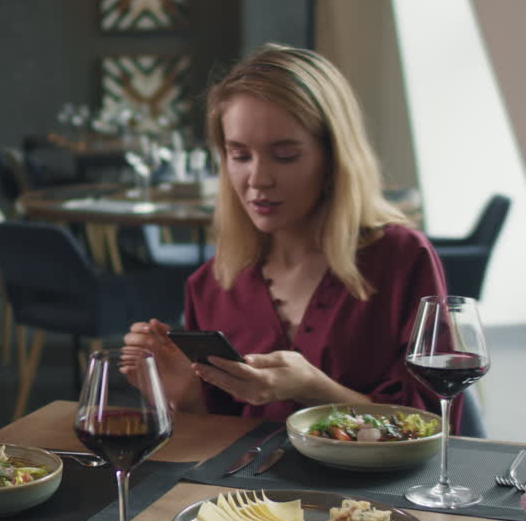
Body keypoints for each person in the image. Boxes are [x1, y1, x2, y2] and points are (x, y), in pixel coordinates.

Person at [123, 44, 457, 430]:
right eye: (240, 156)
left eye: (285, 156)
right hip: (253, 494)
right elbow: (220, 438)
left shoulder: (401, 259)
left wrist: (314, 388)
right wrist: (184, 396)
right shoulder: (212, 285)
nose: (258, 179)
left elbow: (436, 424)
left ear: (333, 158)